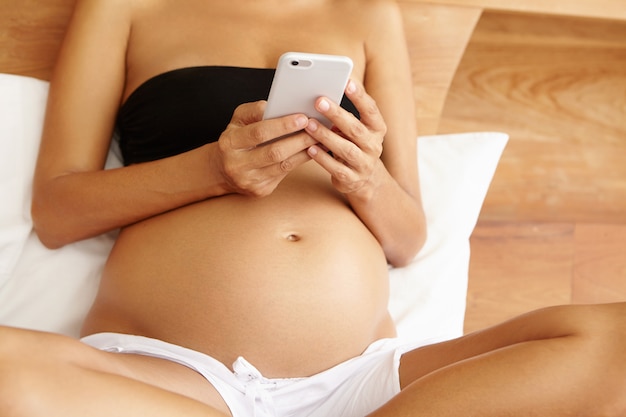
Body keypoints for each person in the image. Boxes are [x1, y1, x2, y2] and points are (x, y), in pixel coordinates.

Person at [1, 0, 625, 415]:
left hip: (366, 388)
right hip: (166, 380)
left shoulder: (367, 11)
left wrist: (366, 181)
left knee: (614, 346)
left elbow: (408, 238)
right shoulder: (124, 6)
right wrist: (213, 170)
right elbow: (58, 210)